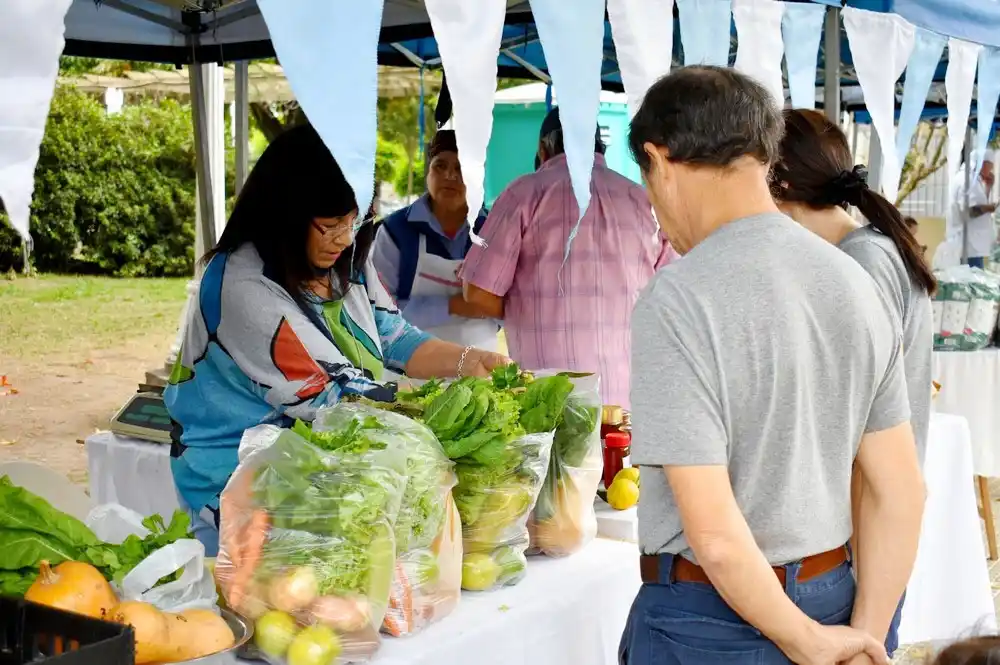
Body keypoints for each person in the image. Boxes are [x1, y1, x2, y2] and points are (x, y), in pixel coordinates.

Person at [620, 66, 925, 665]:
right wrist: (863, 635)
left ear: (658, 160)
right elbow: (901, 492)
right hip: (833, 595)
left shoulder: (679, 298)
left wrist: (806, 643)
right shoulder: (853, 281)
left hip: (707, 621)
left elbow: (715, 536)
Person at [165, 124, 508, 555]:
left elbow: (393, 335)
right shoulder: (241, 285)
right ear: (285, 212)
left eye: (354, 220)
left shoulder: (344, 261)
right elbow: (337, 397)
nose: (345, 238)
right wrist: (457, 423)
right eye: (330, 225)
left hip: (322, 474)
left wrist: (469, 362)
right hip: (241, 492)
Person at [771, 108, 936, 658]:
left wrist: (868, 617)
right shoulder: (864, 249)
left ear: (778, 182)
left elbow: (870, 449)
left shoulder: (859, 261)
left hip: (867, 540)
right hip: (865, 533)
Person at [459, 107, 677, 410]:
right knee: (618, 459)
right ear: (600, 147)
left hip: (546, 398)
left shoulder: (524, 193)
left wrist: (533, 307)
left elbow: (477, 292)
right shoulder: (644, 201)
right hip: (626, 401)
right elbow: (669, 298)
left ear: (543, 148)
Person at [373, 130, 500, 352]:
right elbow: (380, 310)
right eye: (440, 166)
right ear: (428, 172)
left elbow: (511, 305)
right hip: (411, 364)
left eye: (460, 168)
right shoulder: (396, 231)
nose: (450, 176)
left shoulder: (494, 231)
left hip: (481, 363)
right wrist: (454, 306)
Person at [953, 151, 996, 268]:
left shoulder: (973, 180)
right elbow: (968, 211)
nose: (991, 170)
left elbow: (977, 205)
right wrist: (991, 208)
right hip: (968, 247)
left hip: (974, 246)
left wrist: (988, 188)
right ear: (983, 164)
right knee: (971, 283)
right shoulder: (967, 180)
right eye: (991, 166)